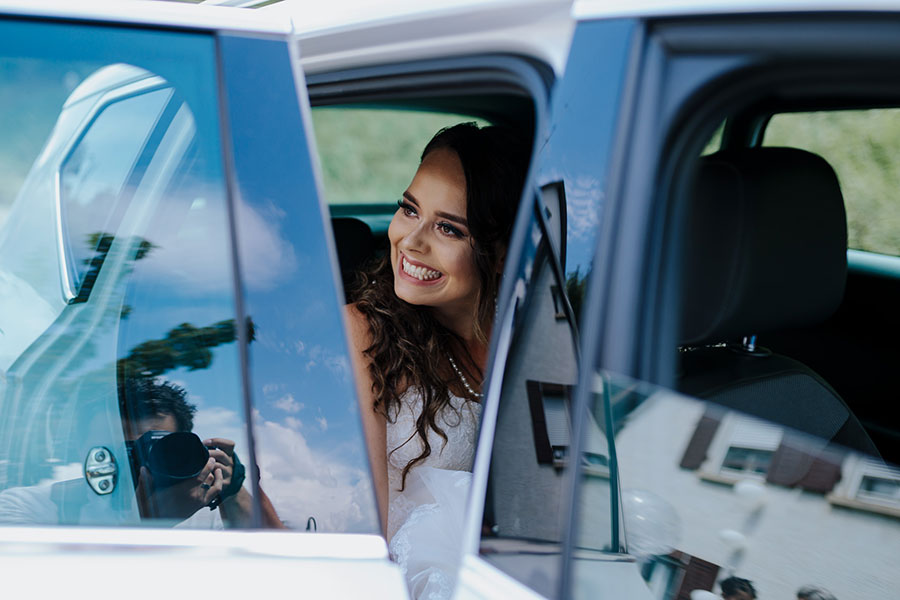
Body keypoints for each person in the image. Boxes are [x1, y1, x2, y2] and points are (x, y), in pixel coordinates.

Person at [345, 122, 529, 599]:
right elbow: (362, 538)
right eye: (410, 209)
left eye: (448, 227)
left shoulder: (535, 344)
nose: (411, 241)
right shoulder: (362, 332)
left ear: (504, 251)